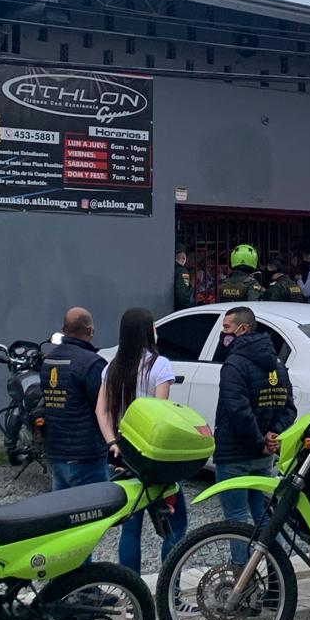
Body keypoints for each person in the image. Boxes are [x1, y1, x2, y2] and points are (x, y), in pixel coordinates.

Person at [96, 308, 186, 572]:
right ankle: (172, 593)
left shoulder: (112, 366)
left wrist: (113, 443)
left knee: (130, 529)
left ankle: (131, 593)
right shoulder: (160, 365)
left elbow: (101, 410)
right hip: (151, 456)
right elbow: (160, 413)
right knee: (174, 524)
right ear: (149, 331)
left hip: (120, 454)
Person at [214, 306, 296, 558]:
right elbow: (288, 408)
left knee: (236, 521)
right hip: (263, 456)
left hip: (235, 454)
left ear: (243, 329)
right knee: (263, 516)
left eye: (227, 328)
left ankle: (241, 577)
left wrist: (260, 441)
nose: (223, 333)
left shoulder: (234, 364)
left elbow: (237, 409)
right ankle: (277, 572)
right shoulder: (278, 365)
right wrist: (273, 434)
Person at [41, 307, 108, 491]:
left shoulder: (48, 361)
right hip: (86, 454)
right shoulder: (92, 363)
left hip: (56, 451)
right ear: (89, 331)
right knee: (94, 514)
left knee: (64, 514)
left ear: (64, 329)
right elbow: (103, 407)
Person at [173, 243, 194, 311]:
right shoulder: (182, 271)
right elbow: (183, 295)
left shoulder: (171, 269)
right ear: (183, 258)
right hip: (180, 311)